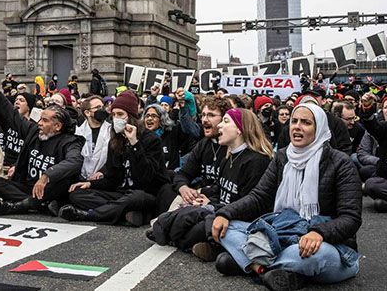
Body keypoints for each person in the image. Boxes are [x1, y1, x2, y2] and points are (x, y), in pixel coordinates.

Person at [212, 103, 362, 290]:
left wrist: (319, 233)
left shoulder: (341, 163)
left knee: (317, 256)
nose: (297, 127)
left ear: (320, 128)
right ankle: (271, 270)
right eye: (294, 121)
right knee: (230, 226)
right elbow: (259, 196)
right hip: (284, 235)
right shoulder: (282, 157)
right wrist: (225, 213)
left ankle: (252, 262)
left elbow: (351, 217)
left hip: (328, 245)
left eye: (306, 123)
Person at [148, 108, 273, 261]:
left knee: (197, 224)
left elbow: (250, 204)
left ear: (240, 129)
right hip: (221, 210)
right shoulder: (229, 155)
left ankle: (175, 235)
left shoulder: (256, 161)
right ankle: (174, 233)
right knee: (190, 210)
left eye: (225, 121)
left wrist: (214, 207)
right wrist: (206, 199)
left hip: (237, 219)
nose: (220, 126)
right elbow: (220, 189)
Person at [59, 91, 171, 226]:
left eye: (120, 114)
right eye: (113, 115)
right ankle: (124, 213)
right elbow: (113, 179)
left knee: (135, 197)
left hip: (146, 193)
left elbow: (146, 177)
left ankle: (92, 215)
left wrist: (134, 144)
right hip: (122, 193)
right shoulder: (116, 140)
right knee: (77, 194)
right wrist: (90, 184)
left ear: (131, 117)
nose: (115, 119)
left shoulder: (151, 139)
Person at [0, 69, 83, 215]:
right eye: (40, 119)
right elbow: (12, 114)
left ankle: (21, 205)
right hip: (27, 187)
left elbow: (75, 161)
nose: (39, 123)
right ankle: (37, 204)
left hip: (48, 187)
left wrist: (46, 175)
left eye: (45, 120)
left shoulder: (70, 142)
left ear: (57, 126)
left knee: (63, 183)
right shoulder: (34, 131)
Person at [164, 97, 233, 212]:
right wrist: (183, 187)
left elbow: (226, 187)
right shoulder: (204, 144)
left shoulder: (232, 146)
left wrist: (200, 192)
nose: (205, 120)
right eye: (203, 115)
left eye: (211, 115)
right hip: (200, 194)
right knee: (167, 188)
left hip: (220, 201)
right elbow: (184, 173)